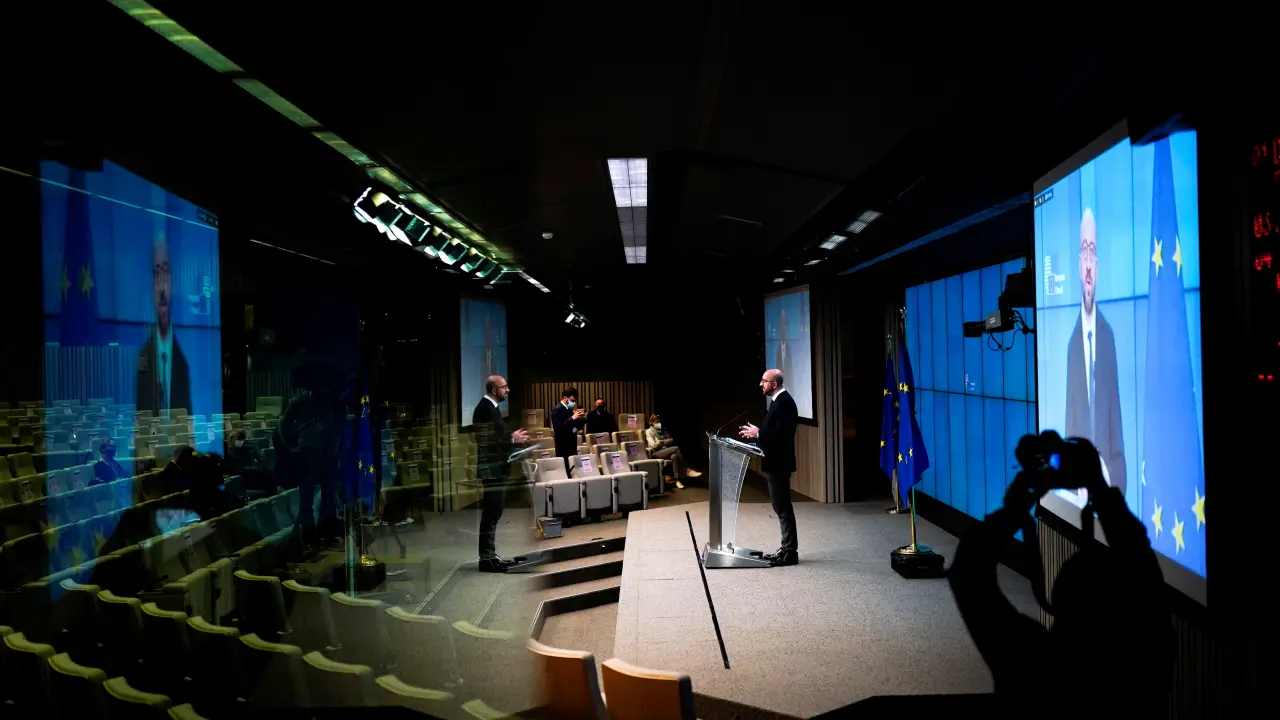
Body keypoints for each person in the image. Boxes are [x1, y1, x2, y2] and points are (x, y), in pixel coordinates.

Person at [948, 431, 1172, 718]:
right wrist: (1098, 488)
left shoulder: (1031, 663)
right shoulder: (1148, 658)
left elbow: (968, 571)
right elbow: (1142, 567)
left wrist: (1014, 509)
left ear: (1060, 599)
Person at [1065, 209, 1126, 495]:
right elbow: (1070, 421)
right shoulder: (1072, 344)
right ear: (1079, 264)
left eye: (1093, 252)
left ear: (1097, 265)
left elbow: (1116, 425)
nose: (1088, 264)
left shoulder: (1108, 336)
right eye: (1084, 252)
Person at [739, 368, 799, 566]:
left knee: (782, 507)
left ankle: (790, 552)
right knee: (780, 506)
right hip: (775, 462)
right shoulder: (778, 402)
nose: (760, 384)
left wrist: (759, 433)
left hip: (779, 464)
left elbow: (782, 435)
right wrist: (758, 434)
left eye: (764, 381)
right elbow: (773, 431)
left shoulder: (784, 403)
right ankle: (786, 548)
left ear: (774, 384)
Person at [473, 375, 530, 573]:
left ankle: (489, 555)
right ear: (495, 390)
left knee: (494, 512)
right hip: (492, 469)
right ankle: (486, 558)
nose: (508, 390)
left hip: (496, 467)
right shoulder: (485, 409)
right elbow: (486, 441)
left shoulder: (492, 408)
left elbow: (497, 438)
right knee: (491, 513)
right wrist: (512, 439)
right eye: (504, 387)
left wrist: (512, 442)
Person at [137, 234, 191, 417]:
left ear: (173, 281)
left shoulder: (183, 363)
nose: (162, 287)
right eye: (156, 274)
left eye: (165, 273)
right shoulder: (143, 356)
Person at [644, 414, 701, 488]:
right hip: (656, 452)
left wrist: (662, 441)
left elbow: (671, 440)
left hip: (666, 450)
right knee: (676, 448)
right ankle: (687, 470)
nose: (659, 423)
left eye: (660, 421)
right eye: (657, 422)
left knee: (674, 456)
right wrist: (659, 443)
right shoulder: (649, 431)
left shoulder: (664, 430)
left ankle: (677, 480)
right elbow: (653, 445)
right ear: (652, 423)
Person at [550, 387, 587, 472]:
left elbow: (574, 428)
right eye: (572, 400)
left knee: (573, 470)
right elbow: (558, 428)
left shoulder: (569, 409)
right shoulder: (557, 409)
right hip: (563, 445)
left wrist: (582, 419)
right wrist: (572, 418)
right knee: (565, 470)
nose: (573, 403)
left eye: (575, 401)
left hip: (572, 444)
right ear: (565, 398)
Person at [774, 311, 794, 388]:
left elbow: (791, 372)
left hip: (789, 386)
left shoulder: (789, 348)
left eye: (785, 324)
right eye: (781, 325)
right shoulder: (778, 350)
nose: (783, 328)